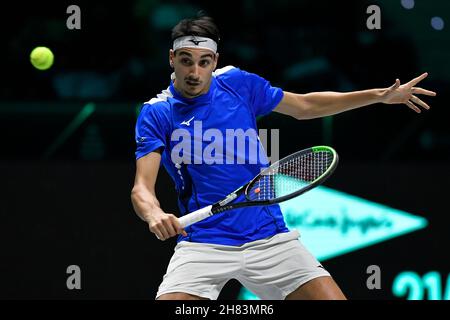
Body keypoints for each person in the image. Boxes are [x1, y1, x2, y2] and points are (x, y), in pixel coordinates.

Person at [130, 15, 436, 300]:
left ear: (215, 61)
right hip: (204, 243)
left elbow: (305, 107)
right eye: (186, 61)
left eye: (204, 62)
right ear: (172, 58)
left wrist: (379, 95)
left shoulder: (239, 84)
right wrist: (154, 214)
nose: (195, 72)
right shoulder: (157, 113)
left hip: (270, 237)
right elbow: (142, 188)